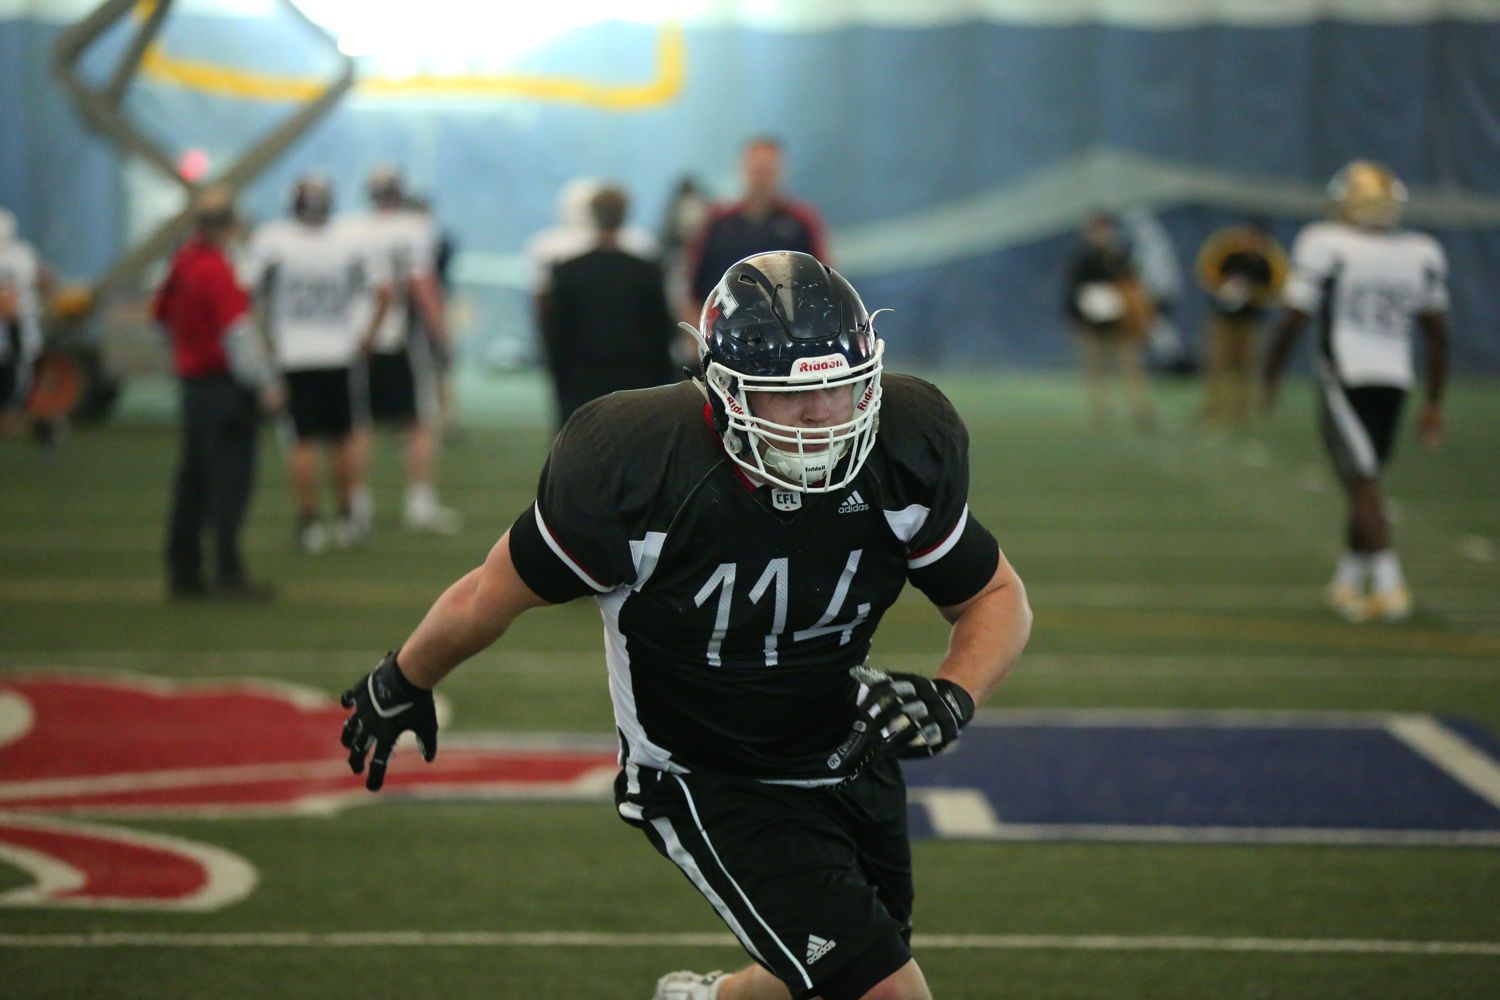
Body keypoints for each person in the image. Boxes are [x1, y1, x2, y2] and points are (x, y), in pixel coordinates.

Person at [337, 251, 1032, 1000]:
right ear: (724, 390)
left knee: (830, 970)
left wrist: (955, 693)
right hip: (707, 771)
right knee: (883, 989)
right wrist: (407, 674)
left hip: (849, 750)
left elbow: (995, 594)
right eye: (786, 398)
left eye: (839, 389)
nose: (821, 419)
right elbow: (492, 591)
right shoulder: (637, 463)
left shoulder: (905, 442)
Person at [1263, 160, 1450, 623]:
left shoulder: (1325, 242)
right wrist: (1433, 402)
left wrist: (1270, 374)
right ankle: (1348, 580)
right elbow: (1438, 333)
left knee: (1362, 483)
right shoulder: (1421, 251)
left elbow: (1294, 317)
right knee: (1362, 480)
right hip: (1396, 378)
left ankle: (1390, 585)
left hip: (1345, 374)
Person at [241, 175, 388, 552]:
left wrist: (266, 343)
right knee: (344, 437)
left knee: (302, 441)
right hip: (339, 351)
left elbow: (247, 293)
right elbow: (383, 290)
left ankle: (309, 523)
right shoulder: (348, 239)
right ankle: (347, 518)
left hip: (293, 353)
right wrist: (368, 337)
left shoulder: (273, 239)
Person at [153, 187, 281, 600]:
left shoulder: (182, 264)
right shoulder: (217, 269)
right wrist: (266, 384)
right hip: (224, 388)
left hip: (193, 388)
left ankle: (183, 570)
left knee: (193, 480)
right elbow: (238, 334)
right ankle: (228, 571)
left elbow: (160, 315)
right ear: (228, 225)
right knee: (230, 483)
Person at [345, 167, 459, 535]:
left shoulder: (350, 227)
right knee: (419, 424)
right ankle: (419, 503)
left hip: (356, 336)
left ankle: (357, 508)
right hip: (399, 335)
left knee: (358, 425)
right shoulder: (415, 227)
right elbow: (421, 283)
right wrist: (440, 333)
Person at [539, 185, 678, 425]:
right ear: (625, 216)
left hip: (581, 384)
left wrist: (560, 383)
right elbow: (662, 333)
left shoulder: (567, 271)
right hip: (637, 384)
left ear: (592, 216)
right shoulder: (647, 272)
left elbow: (555, 336)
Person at [685, 136, 829, 321]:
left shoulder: (802, 221)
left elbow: (825, 283)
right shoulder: (717, 222)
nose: (760, 180)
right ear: (743, 170)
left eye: (767, 171)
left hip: (788, 332)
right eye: (756, 171)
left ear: (780, 173)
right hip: (726, 330)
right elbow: (691, 286)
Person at [1063, 213, 1156, 429]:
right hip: (1092, 324)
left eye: (1104, 229)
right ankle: (1102, 413)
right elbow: (1072, 290)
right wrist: (1073, 315)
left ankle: (1139, 409)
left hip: (1121, 325)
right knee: (1096, 370)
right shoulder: (1083, 258)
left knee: (1130, 367)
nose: (1100, 234)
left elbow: (1133, 287)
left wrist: (1138, 316)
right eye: (1096, 230)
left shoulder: (1120, 256)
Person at [1195, 217, 1288, 428]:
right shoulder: (1227, 250)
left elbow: (1277, 289)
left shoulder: (1269, 259)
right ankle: (1215, 409)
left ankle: (1241, 412)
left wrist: (1252, 294)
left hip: (1251, 322)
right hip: (1222, 319)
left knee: (1247, 367)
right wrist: (1224, 289)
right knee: (1217, 364)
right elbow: (1206, 273)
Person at [0, 206, 53, 436]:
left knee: (14, 374)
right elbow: (47, 281)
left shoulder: (17, 256)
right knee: (17, 373)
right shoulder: (24, 253)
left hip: (15, 326)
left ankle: (19, 418)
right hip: (21, 325)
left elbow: (9, 302)